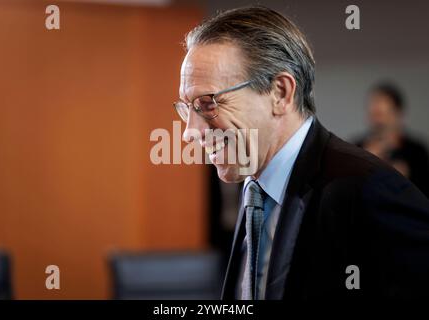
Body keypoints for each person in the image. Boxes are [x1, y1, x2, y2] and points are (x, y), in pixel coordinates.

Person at [173, 6, 429, 299]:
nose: (190, 132)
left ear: (280, 93)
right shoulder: (254, 189)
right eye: (187, 108)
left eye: (208, 103)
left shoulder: (369, 189)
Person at [355, 82, 429, 198]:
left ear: (398, 114)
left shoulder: (416, 152)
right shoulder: (356, 149)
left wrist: (405, 181)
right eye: (373, 115)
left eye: (382, 114)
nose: (378, 122)